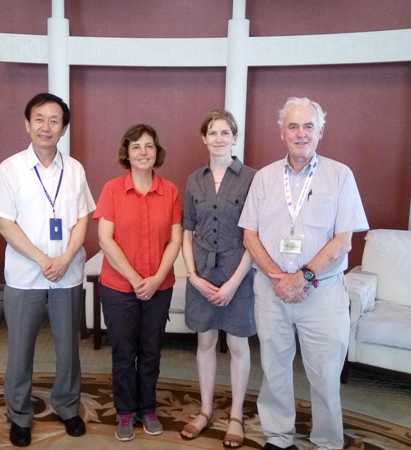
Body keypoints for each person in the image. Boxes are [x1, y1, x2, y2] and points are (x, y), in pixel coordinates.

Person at [238, 97, 369, 450]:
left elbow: (344, 240)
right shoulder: (265, 178)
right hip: (272, 292)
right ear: (282, 133)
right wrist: (280, 279)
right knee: (274, 368)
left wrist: (303, 277)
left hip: (322, 293)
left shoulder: (340, 176)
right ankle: (278, 437)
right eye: (293, 126)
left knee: (325, 375)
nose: (301, 134)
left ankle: (326, 441)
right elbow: (249, 235)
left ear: (320, 131)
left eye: (308, 126)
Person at [0, 93, 95, 447]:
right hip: (24, 275)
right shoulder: (10, 169)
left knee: (68, 348)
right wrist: (41, 259)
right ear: (27, 124)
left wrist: (65, 259)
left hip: (68, 272)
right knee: (20, 349)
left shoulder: (75, 169)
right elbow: (5, 224)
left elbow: (84, 218)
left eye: (54, 120)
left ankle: (67, 406)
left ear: (63, 129)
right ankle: (19, 415)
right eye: (39, 118)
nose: (46, 126)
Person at [93, 123, 183, 442]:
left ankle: (147, 408)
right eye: (136, 146)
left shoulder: (170, 191)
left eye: (149, 146)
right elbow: (105, 239)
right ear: (127, 154)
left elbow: (175, 241)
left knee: (150, 351)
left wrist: (156, 279)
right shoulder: (112, 189)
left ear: (157, 151)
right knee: (123, 352)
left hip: (159, 287)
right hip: (119, 288)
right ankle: (125, 411)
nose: (143, 152)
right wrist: (134, 278)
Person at [179, 109, 256, 449]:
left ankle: (236, 416)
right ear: (204, 138)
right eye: (213, 132)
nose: (219, 138)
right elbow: (186, 231)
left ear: (235, 138)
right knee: (205, 343)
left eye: (226, 132)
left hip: (238, 274)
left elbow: (255, 237)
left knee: (238, 346)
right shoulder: (193, 180)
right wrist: (193, 276)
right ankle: (206, 411)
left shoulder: (252, 178)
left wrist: (234, 282)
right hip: (202, 274)